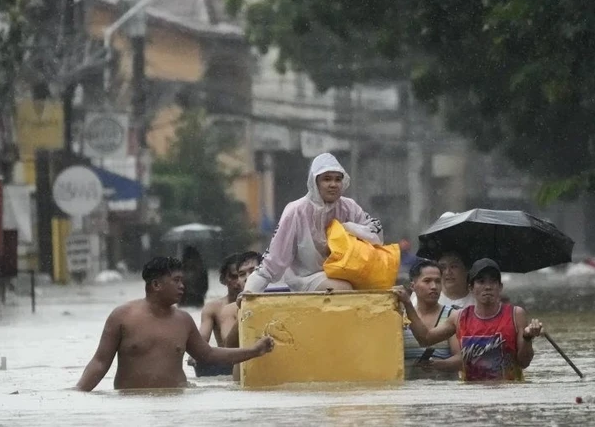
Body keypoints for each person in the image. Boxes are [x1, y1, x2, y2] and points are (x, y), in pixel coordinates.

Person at [75, 257, 275, 391]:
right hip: (132, 408)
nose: (182, 286)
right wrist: (77, 394)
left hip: (176, 407)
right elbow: (100, 363)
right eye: (176, 280)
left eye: (182, 280)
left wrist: (254, 351)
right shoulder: (122, 316)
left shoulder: (183, 320)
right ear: (156, 285)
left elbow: (209, 354)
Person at [243, 153, 384, 294]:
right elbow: (273, 259)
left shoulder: (349, 206)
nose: (333, 185)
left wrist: (349, 228)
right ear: (314, 182)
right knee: (343, 289)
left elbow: (375, 232)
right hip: (307, 277)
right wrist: (249, 293)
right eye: (327, 179)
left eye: (338, 179)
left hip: (346, 272)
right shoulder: (296, 211)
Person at [393, 258, 543, 382]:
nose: (488, 287)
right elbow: (425, 339)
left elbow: (524, 362)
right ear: (471, 287)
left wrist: (528, 338)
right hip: (472, 396)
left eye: (493, 282)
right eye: (481, 282)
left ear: (500, 287)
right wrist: (407, 303)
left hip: (508, 393)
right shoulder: (459, 317)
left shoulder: (515, 314)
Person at [193, 251, 261, 377]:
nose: (247, 278)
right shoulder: (218, 309)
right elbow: (205, 340)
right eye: (236, 275)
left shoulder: (277, 301)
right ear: (224, 279)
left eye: (253, 272)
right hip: (229, 366)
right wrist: (196, 354)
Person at [402, 259, 461, 380]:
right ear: (413, 286)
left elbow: (461, 358)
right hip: (409, 393)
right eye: (427, 281)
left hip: (443, 391)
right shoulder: (401, 318)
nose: (434, 287)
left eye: (438, 281)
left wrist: (439, 365)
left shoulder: (452, 316)